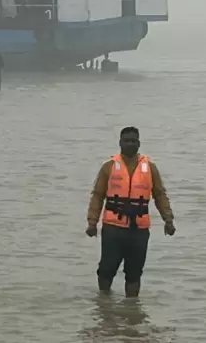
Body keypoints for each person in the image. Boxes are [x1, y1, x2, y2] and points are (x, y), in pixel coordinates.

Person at [86, 127, 175, 298]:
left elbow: (160, 195)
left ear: (139, 143)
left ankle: (132, 311)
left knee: (134, 272)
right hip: (113, 228)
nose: (130, 144)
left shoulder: (150, 168)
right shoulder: (109, 167)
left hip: (139, 230)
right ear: (120, 143)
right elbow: (97, 195)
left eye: (133, 141)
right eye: (126, 140)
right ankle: (104, 304)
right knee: (107, 268)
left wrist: (168, 220)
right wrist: (92, 222)